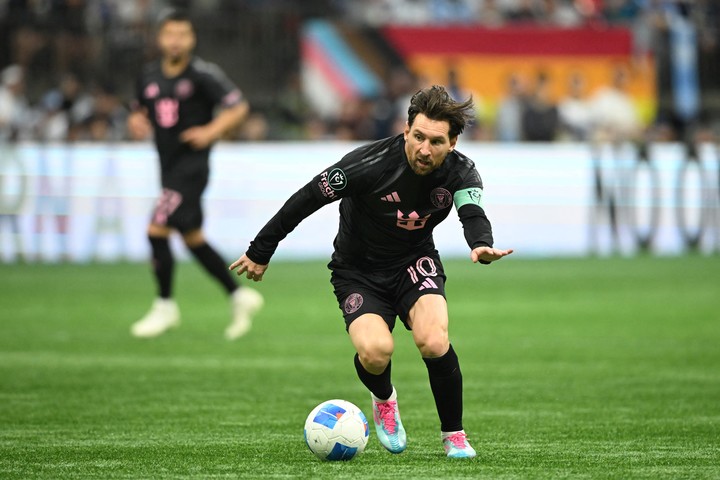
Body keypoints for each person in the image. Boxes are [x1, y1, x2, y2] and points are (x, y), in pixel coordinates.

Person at [230, 85, 513, 458]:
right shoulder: (367, 164)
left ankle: (454, 435)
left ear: (453, 143)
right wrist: (261, 249)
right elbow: (306, 198)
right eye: (418, 137)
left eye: (436, 141)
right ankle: (384, 399)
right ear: (405, 130)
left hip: (414, 262)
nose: (425, 149)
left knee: (433, 340)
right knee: (376, 352)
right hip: (357, 271)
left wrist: (481, 243)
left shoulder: (461, 172)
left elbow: (472, 213)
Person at [127, 10, 263, 340]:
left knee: (156, 229)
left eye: (182, 35)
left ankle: (165, 306)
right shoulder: (148, 76)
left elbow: (238, 107)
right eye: (170, 34)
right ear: (160, 38)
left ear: (192, 39)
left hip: (191, 168)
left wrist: (211, 131)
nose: (176, 41)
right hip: (168, 166)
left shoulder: (203, 75)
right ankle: (238, 295)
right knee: (193, 238)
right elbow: (139, 110)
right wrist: (136, 121)